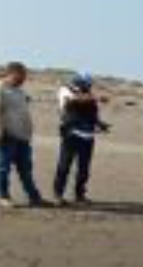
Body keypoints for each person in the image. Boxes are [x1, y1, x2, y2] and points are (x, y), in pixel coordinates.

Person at [0, 61, 47, 208]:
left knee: (26, 170)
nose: (24, 79)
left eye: (25, 76)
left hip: (22, 137)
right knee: (3, 169)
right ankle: (4, 197)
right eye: (22, 75)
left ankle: (34, 197)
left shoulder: (20, 91)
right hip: (6, 136)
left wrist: (28, 134)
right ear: (12, 73)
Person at [53, 73, 110, 206]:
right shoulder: (65, 91)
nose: (88, 87)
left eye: (89, 85)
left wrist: (100, 124)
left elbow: (93, 115)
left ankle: (80, 195)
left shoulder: (89, 96)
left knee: (84, 169)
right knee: (64, 166)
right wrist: (95, 98)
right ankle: (58, 195)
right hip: (71, 135)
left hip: (88, 136)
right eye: (86, 84)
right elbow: (71, 101)